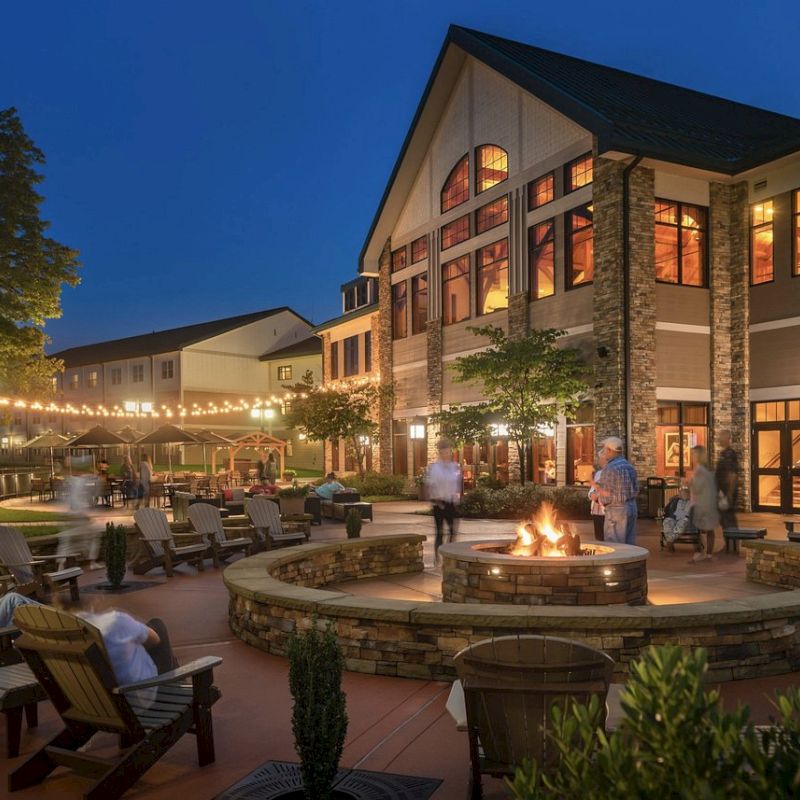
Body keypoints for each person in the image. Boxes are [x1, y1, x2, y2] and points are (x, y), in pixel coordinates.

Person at [596, 437, 639, 544]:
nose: (604, 452)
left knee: (615, 545)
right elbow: (637, 488)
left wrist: (597, 497)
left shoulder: (609, 468)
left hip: (616, 510)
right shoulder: (629, 466)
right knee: (629, 545)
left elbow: (606, 496)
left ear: (610, 450)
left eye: (605, 449)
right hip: (631, 507)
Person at [425, 439, 462, 560]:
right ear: (440, 453)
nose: (447, 454)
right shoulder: (435, 468)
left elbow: (457, 484)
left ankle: (449, 554)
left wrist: (458, 498)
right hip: (439, 503)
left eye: (448, 452)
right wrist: (434, 500)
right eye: (444, 452)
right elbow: (430, 485)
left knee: (452, 531)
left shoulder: (454, 467)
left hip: (451, 502)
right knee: (440, 531)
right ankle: (438, 556)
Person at [689, 445, 719, 563]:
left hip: (698, 504)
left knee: (693, 529)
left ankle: (698, 553)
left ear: (698, 455)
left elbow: (697, 488)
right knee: (709, 529)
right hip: (709, 503)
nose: (692, 457)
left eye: (694, 454)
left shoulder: (700, 470)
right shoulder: (708, 468)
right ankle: (708, 555)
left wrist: (689, 483)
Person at [715, 429, 739, 531]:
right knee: (724, 519)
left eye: (721, 437)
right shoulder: (724, 453)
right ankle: (729, 543)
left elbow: (732, 474)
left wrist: (729, 493)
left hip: (727, 492)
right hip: (722, 492)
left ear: (728, 439)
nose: (718, 439)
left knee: (728, 519)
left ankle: (733, 545)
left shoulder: (729, 454)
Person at [588, 450, 607, 541]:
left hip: (606, 511)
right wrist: (592, 494)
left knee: (607, 538)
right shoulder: (598, 473)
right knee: (599, 537)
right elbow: (592, 490)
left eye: (600, 459)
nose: (599, 461)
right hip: (596, 511)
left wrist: (597, 495)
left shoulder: (611, 474)